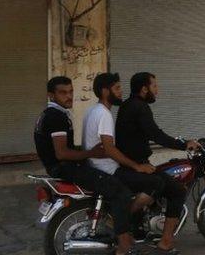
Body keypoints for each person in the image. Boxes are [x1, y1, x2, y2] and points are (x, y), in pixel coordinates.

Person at [34, 76, 137, 255]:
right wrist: (91, 153)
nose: (69, 96)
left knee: (107, 189)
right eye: (63, 92)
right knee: (121, 192)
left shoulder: (52, 114)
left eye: (71, 91)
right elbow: (62, 153)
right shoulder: (56, 117)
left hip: (62, 166)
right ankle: (124, 245)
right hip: (65, 168)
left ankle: (112, 223)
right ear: (51, 95)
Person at [116, 72, 201, 254]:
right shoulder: (140, 107)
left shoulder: (128, 105)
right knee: (178, 190)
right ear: (144, 88)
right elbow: (156, 134)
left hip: (130, 164)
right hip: (135, 166)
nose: (157, 90)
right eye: (154, 86)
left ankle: (140, 225)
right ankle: (165, 241)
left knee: (160, 181)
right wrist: (184, 144)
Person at [82, 73, 160, 238]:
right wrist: (137, 166)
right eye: (116, 88)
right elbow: (110, 149)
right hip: (108, 169)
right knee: (155, 183)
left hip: (96, 166)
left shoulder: (92, 110)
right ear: (105, 91)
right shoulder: (104, 114)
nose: (121, 92)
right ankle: (121, 218)